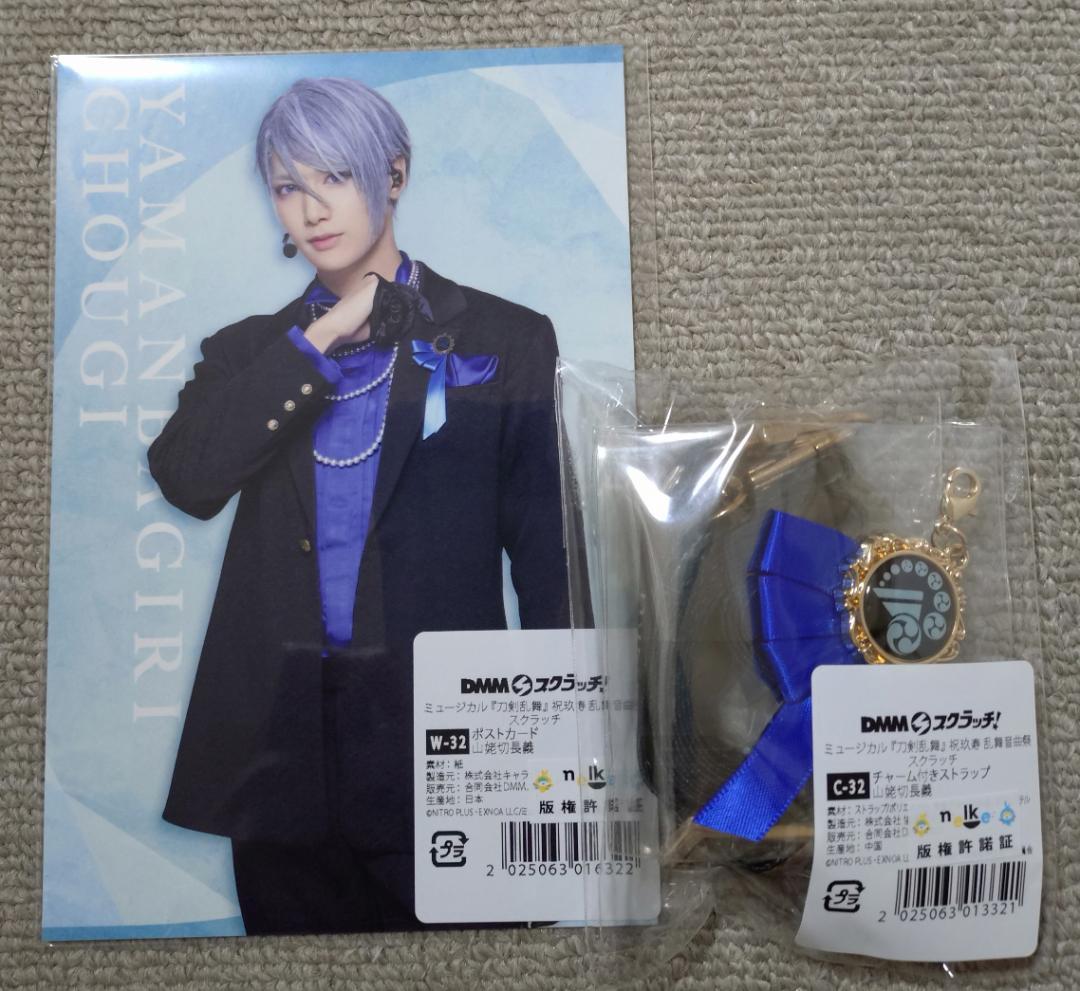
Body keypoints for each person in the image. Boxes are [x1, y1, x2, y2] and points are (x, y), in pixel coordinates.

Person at [148, 77, 571, 935]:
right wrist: (321, 335)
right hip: (282, 762)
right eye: (287, 186)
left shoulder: (509, 338)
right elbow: (188, 479)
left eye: (335, 176)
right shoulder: (247, 352)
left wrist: (573, 740)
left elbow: (549, 559)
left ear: (395, 174)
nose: (312, 209)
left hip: (449, 748)